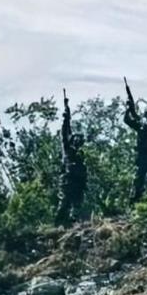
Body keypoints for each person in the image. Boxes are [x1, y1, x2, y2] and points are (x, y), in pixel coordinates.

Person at [55, 91, 87, 226]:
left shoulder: (81, 154)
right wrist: (66, 115)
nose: (77, 141)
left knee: (78, 202)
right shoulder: (68, 148)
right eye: (76, 139)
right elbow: (65, 131)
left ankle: (74, 221)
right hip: (69, 180)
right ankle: (59, 223)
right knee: (65, 202)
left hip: (78, 181)